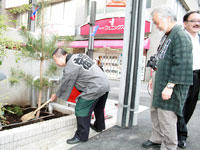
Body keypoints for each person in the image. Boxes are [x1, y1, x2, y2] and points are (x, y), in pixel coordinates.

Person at [142, 7, 193, 150]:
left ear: (168, 18)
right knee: (155, 112)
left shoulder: (180, 35)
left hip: (171, 85)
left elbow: (182, 64)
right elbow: (161, 59)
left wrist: (170, 86)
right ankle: (157, 138)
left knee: (167, 118)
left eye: (157, 22)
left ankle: (169, 146)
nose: (156, 26)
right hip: (160, 81)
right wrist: (153, 77)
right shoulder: (167, 35)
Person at [50, 48, 110, 144]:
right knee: (99, 107)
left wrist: (55, 94)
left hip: (95, 87)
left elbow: (65, 82)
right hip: (104, 84)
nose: (56, 63)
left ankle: (81, 136)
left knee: (81, 108)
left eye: (55, 60)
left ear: (61, 56)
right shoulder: (79, 55)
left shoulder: (70, 66)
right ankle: (99, 127)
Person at [177, 11, 200, 149]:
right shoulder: (180, 38)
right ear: (185, 24)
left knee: (191, 106)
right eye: (193, 21)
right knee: (180, 106)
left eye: (199, 21)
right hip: (183, 75)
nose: (197, 23)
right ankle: (180, 135)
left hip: (197, 76)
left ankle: (180, 131)